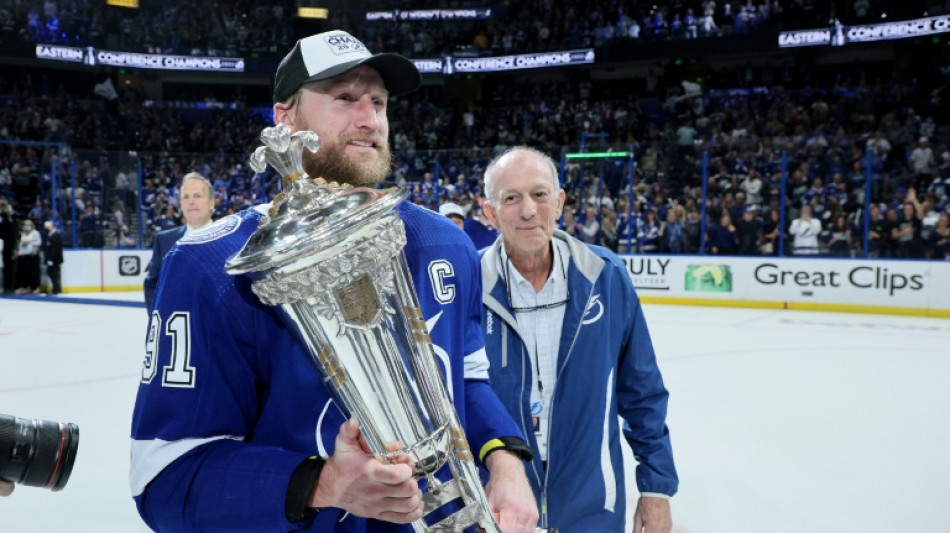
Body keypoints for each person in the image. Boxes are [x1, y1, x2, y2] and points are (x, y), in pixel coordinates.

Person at [130, 30, 538, 533]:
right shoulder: (211, 265)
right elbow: (165, 477)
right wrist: (322, 484)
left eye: (379, 102)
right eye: (344, 98)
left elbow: (466, 382)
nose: (369, 119)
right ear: (285, 118)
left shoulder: (446, 246)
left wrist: (506, 460)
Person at [477, 146, 678, 533]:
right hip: (499, 503)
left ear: (559, 202)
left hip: (593, 503)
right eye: (511, 198)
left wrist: (657, 489)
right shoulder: (468, 286)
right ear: (490, 212)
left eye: (539, 194)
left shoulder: (605, 276)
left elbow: (642, 390)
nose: (528, 210)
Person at [143, 172, 215, 312]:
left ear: (211, 202)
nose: (191, 201)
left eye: (197, 196)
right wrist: (158, 320)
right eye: (186, 197)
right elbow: (152, 284)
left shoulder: (231, 238)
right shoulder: (164, 240)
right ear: (181, 203)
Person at [15, 219, 41, 294]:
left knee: (35, 272)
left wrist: (30, 242)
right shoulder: (23, 234)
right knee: (27, 272)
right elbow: (21, 244)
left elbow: (39, 242)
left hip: (33, 254)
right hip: (25, 254)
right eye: (26, 225)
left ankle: (37, 287)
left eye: (28, 225)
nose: (27, 227)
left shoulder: (35, 233)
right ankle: (28, 287)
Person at [43, 220, 63, 295]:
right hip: (50, 259)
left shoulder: (55, 235)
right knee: (51, 273)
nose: (45, 228)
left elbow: (55, 249)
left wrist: (51, 259)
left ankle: (56, 289)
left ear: (51, 227)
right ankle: (55, 288)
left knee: (54, 273)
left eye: (46, 227)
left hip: (55, 260)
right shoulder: (50, 235)